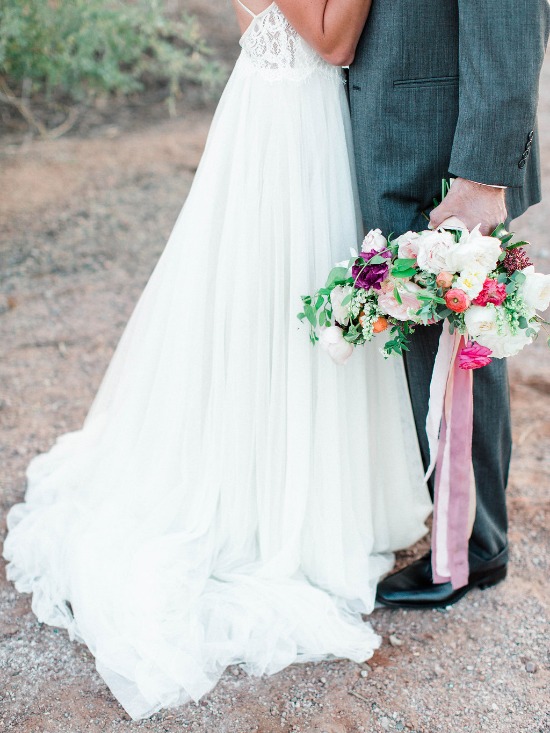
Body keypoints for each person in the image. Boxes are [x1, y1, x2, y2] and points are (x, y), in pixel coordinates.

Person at [3, 0, 431, 721]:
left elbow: (297, 32)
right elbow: (315, 35)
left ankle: (286, 477)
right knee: (256, 297)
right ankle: (260, 489)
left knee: (274, 295)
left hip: (283, 114)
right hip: (281, 122)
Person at [348, 0, 550, 609]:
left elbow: (510, 16)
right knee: (402, 332)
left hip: (437, 142)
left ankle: (470, 546)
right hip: (377, 123)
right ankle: (424, 512)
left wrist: (484, 175)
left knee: (451, 336)